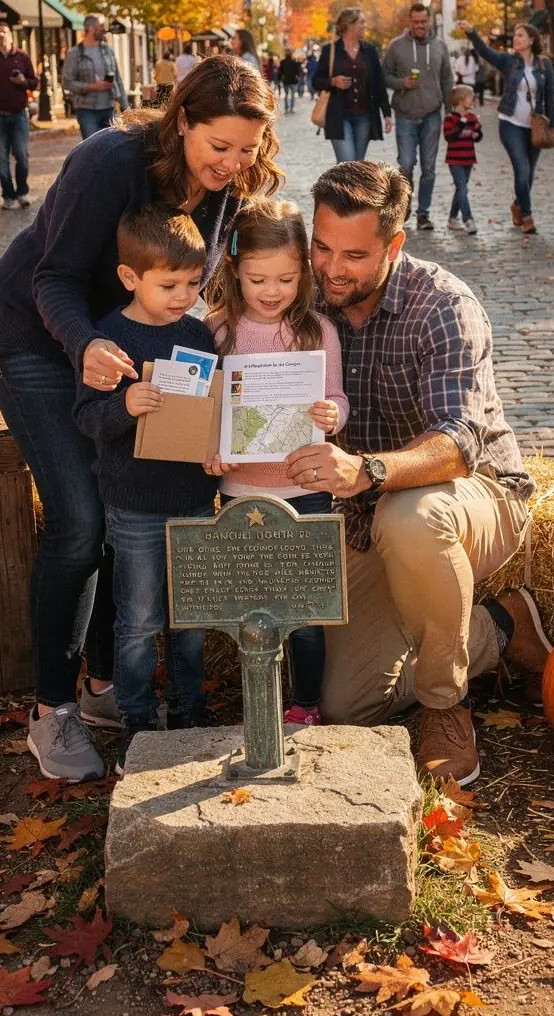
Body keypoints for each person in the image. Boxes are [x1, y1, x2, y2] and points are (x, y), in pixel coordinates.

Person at [0, 57, 281, 782]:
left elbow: (204, 286)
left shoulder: (229, 187)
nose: (232, 164)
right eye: (219, 147)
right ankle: (51, 711)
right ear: (183, 121)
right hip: (37, 335)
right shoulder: (107, 162)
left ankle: (104, 686)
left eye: (248, 150)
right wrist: (85, 345)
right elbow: (52, 275)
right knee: (81, 518)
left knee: (132, 501)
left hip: (130, 347)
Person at [284, 160, 550, 786]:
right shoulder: (303, 302)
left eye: (353, 254)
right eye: (321, 247)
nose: (330, 268)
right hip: (361, 516)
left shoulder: (444, 305)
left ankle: (444, 704)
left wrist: (368, 471)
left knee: (411, 516)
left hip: (475, 496)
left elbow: (459, 443)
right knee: (347, 703)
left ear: (394, 245)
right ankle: (502, 625)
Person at [72, 204, 219, 773]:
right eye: (169, 284)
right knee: (137, 619)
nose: (183, 295)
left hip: (190, 499)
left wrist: (214, 445)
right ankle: (136, 715)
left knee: (191, 616)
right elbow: (86, 416)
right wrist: (124, 406)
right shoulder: (109, 338)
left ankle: (189, 708)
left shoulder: (198, 334)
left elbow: (211, 408)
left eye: (192, 282)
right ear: (131, 278)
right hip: (132, 504)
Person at [205, 198, 349, 727]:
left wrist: (332, 414)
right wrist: (211, 447)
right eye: (257, 279)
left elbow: (337, 396)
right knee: (251, 604)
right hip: (238, 488)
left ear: (304, 274)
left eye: (286, 280)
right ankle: (257, 700)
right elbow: (208, 409)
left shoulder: (318, 332)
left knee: (306, 612)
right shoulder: (218, 330)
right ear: (235, 271)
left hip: (305, 486)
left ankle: (305, 703)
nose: (271, 292)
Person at [460, 20, 554, 236]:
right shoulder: (508, 61)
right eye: (515, 35)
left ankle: (517, 204)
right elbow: (485, 52)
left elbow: (550, 95)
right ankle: (527, 216)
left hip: (535, 126)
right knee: (521, 169)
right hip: (510, 123)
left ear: (531, 40)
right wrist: (472, 32)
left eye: (521, 35)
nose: (516, 39)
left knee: (529, 172)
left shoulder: (544, 65)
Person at [382, 3, 454, 231]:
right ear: (410, 22)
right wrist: (401, 83)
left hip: (432, 114)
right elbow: (384, 76)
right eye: (416, 22)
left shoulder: (440, 46)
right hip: (405, 114)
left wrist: (450, 111)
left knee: (429, 167)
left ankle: (424, 214)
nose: (421, 25)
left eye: (424, 21)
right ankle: (404, 208)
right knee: (406, 165)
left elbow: (447, 80)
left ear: (429, 21)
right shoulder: (396, 47)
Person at [313, 8, 392, 162]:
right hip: (338, 116)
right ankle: (342, 186)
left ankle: (347, 187)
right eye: (361, 22)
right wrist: (333, 82)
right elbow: (316, 81)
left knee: (357, 165)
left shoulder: (369, 51)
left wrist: (387, 114)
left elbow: (378, 83)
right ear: (350, 26)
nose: (365, 26)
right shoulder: (330, 51)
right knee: (346, 163)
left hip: (364, 116)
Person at [0, 22, 39, 210]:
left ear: (10, 35)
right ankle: (8, 195)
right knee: (2, 158)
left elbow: (35, 83)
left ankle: (22, 192)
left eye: (3, 31)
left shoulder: (21, 57)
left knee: (22, 155)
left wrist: (23, 81)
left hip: (18, 114)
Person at [62, 14, 129, 140]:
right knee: (93, 147)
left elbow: (118, 80)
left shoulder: (108, 51)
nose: (104, 29)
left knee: (112, 146)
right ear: (91, 28)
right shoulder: (74, 54)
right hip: (86, 111)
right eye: (101, 26)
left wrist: (126, 108)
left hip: (109, 108)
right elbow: (67, 83)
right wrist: (92, 87)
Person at [444, 85, 482, 235]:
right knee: (462, 189)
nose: (473, 99)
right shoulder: (450, 118)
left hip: (469, 159)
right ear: (461, 101)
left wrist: (477, 132)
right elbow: (449, 136)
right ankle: (468, 220)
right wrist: (461, 122)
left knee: (461, 190)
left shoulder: (472, 118)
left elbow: (478, 137)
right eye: (470, 97)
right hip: (455, 160)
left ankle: (452, 219)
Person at [280, 48, 299, 114]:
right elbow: (281, 72)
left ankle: (290, 108)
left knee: (289, 95)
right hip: (289, 81)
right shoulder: (292, 62)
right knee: (289, 95)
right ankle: (289, 108)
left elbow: (280, 72)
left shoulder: (293, 62)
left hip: (290, 80)